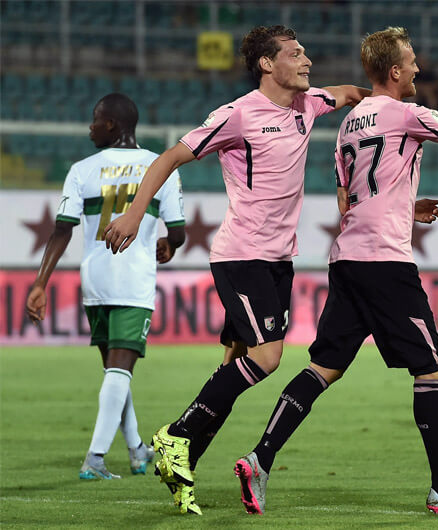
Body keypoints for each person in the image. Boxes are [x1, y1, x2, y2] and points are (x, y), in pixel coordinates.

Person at [231, 24, 438, 517]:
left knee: (323, 367)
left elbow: (348, 200)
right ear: (394, 71)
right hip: (385, 262)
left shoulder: (349, 124)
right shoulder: (406, 113)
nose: (418, 69)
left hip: (348, 258)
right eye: (412, 63)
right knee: (432, 368)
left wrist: (403, 206)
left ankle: (260, 459)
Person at [102, 25, 370, 515]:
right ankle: (176, 434)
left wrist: (388, 106)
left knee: (233, 366)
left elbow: (352, 93)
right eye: (295, 53)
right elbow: (170, 157)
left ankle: (183, 463)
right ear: (267, 64)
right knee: (268, 358)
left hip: (278, 261)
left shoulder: (308, 104)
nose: (307, 60)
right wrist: (136, 213)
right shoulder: (238, 115)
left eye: (305, 52)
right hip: (242, 256)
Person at [26, 93, 186, 480]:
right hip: (133, 279)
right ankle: (95, 459)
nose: (91, 127)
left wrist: (40, 283)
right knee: (119, 371)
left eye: (95, 120)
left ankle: (136, 451)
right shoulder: (160, 166)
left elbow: (62, 229)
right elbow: (178, 232)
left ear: (111, 124)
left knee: (116, 371)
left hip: (95, 281)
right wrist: (168, 244)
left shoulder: (82, 170)